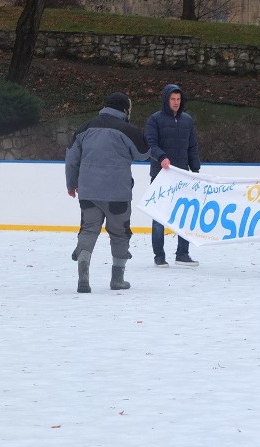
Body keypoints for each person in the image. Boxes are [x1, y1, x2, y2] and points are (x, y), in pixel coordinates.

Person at [65, 92, 156, 293]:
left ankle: (83, 276)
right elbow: (143, 155)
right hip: (118, 194)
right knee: (120, 234)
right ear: (125, 110)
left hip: (89, 192)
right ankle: (117, 279)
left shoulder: (85, 128)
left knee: (88, 230)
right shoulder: (128, 129)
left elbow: (71, 158)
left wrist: (71, 184)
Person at [146, 83, 201, 268]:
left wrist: (195, 170)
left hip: (182, 176)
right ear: (166, 100)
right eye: (172, 99)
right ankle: (159, 256)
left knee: (184, 215)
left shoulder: (187, 120)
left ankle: (182, 254)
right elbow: (150, 144)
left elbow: (192, 147)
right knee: (159, 216)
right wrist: (161, 157)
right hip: (161, 175)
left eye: (178, 99)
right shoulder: (155, 120)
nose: (176, 102)